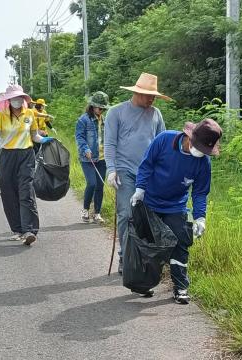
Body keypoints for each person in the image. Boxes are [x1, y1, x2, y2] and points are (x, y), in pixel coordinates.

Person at [130, 119, 222, 304]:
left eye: (205, 150)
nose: (200, 152)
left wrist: (200, 218)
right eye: (199, 147)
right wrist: (140, 189)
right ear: (190, 137)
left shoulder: (203, 162)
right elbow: (147, 165)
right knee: (149, 243)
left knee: (181, 242)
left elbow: (199, 192)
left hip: (175, 205)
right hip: (150, 201)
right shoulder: (164, 140)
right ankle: (144, 283)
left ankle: (180, 287)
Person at [104, 72, 170, 274]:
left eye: (154, 96)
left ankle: (145, 257)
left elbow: (163, 143)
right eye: (148, 95)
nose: (151, 99)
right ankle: (126, 257)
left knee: (148, 216)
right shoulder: (116, 113)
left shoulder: (156, 114)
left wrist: (165, 171)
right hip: (125, 171)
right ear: (137, 93)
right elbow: (110, 143)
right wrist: (111, 169)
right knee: (126, 214)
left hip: (150, 174)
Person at [0, 84, 53, 246]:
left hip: (26, 155)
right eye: (13, 98)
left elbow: (35, 136)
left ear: (23, 99)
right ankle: (17, 229)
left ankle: (29, 230)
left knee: (26, 191)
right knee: (9, 193)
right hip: (7, 156)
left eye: (19, 98)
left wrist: (44, 139)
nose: (17, 101)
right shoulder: (1, 115)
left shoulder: (29, 114)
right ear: (8, 100)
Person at [75, 91, 110, 224]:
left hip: (102, 158)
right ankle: (85, 210)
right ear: (92, 106)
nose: (100, 110)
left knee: (100, 185)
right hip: (88, 158)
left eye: (103, 108)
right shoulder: (83, 120)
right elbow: (80, 137)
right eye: (99, 107)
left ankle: (97, 213)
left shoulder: (105, 120)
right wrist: (85, 149)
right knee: (92, 183)